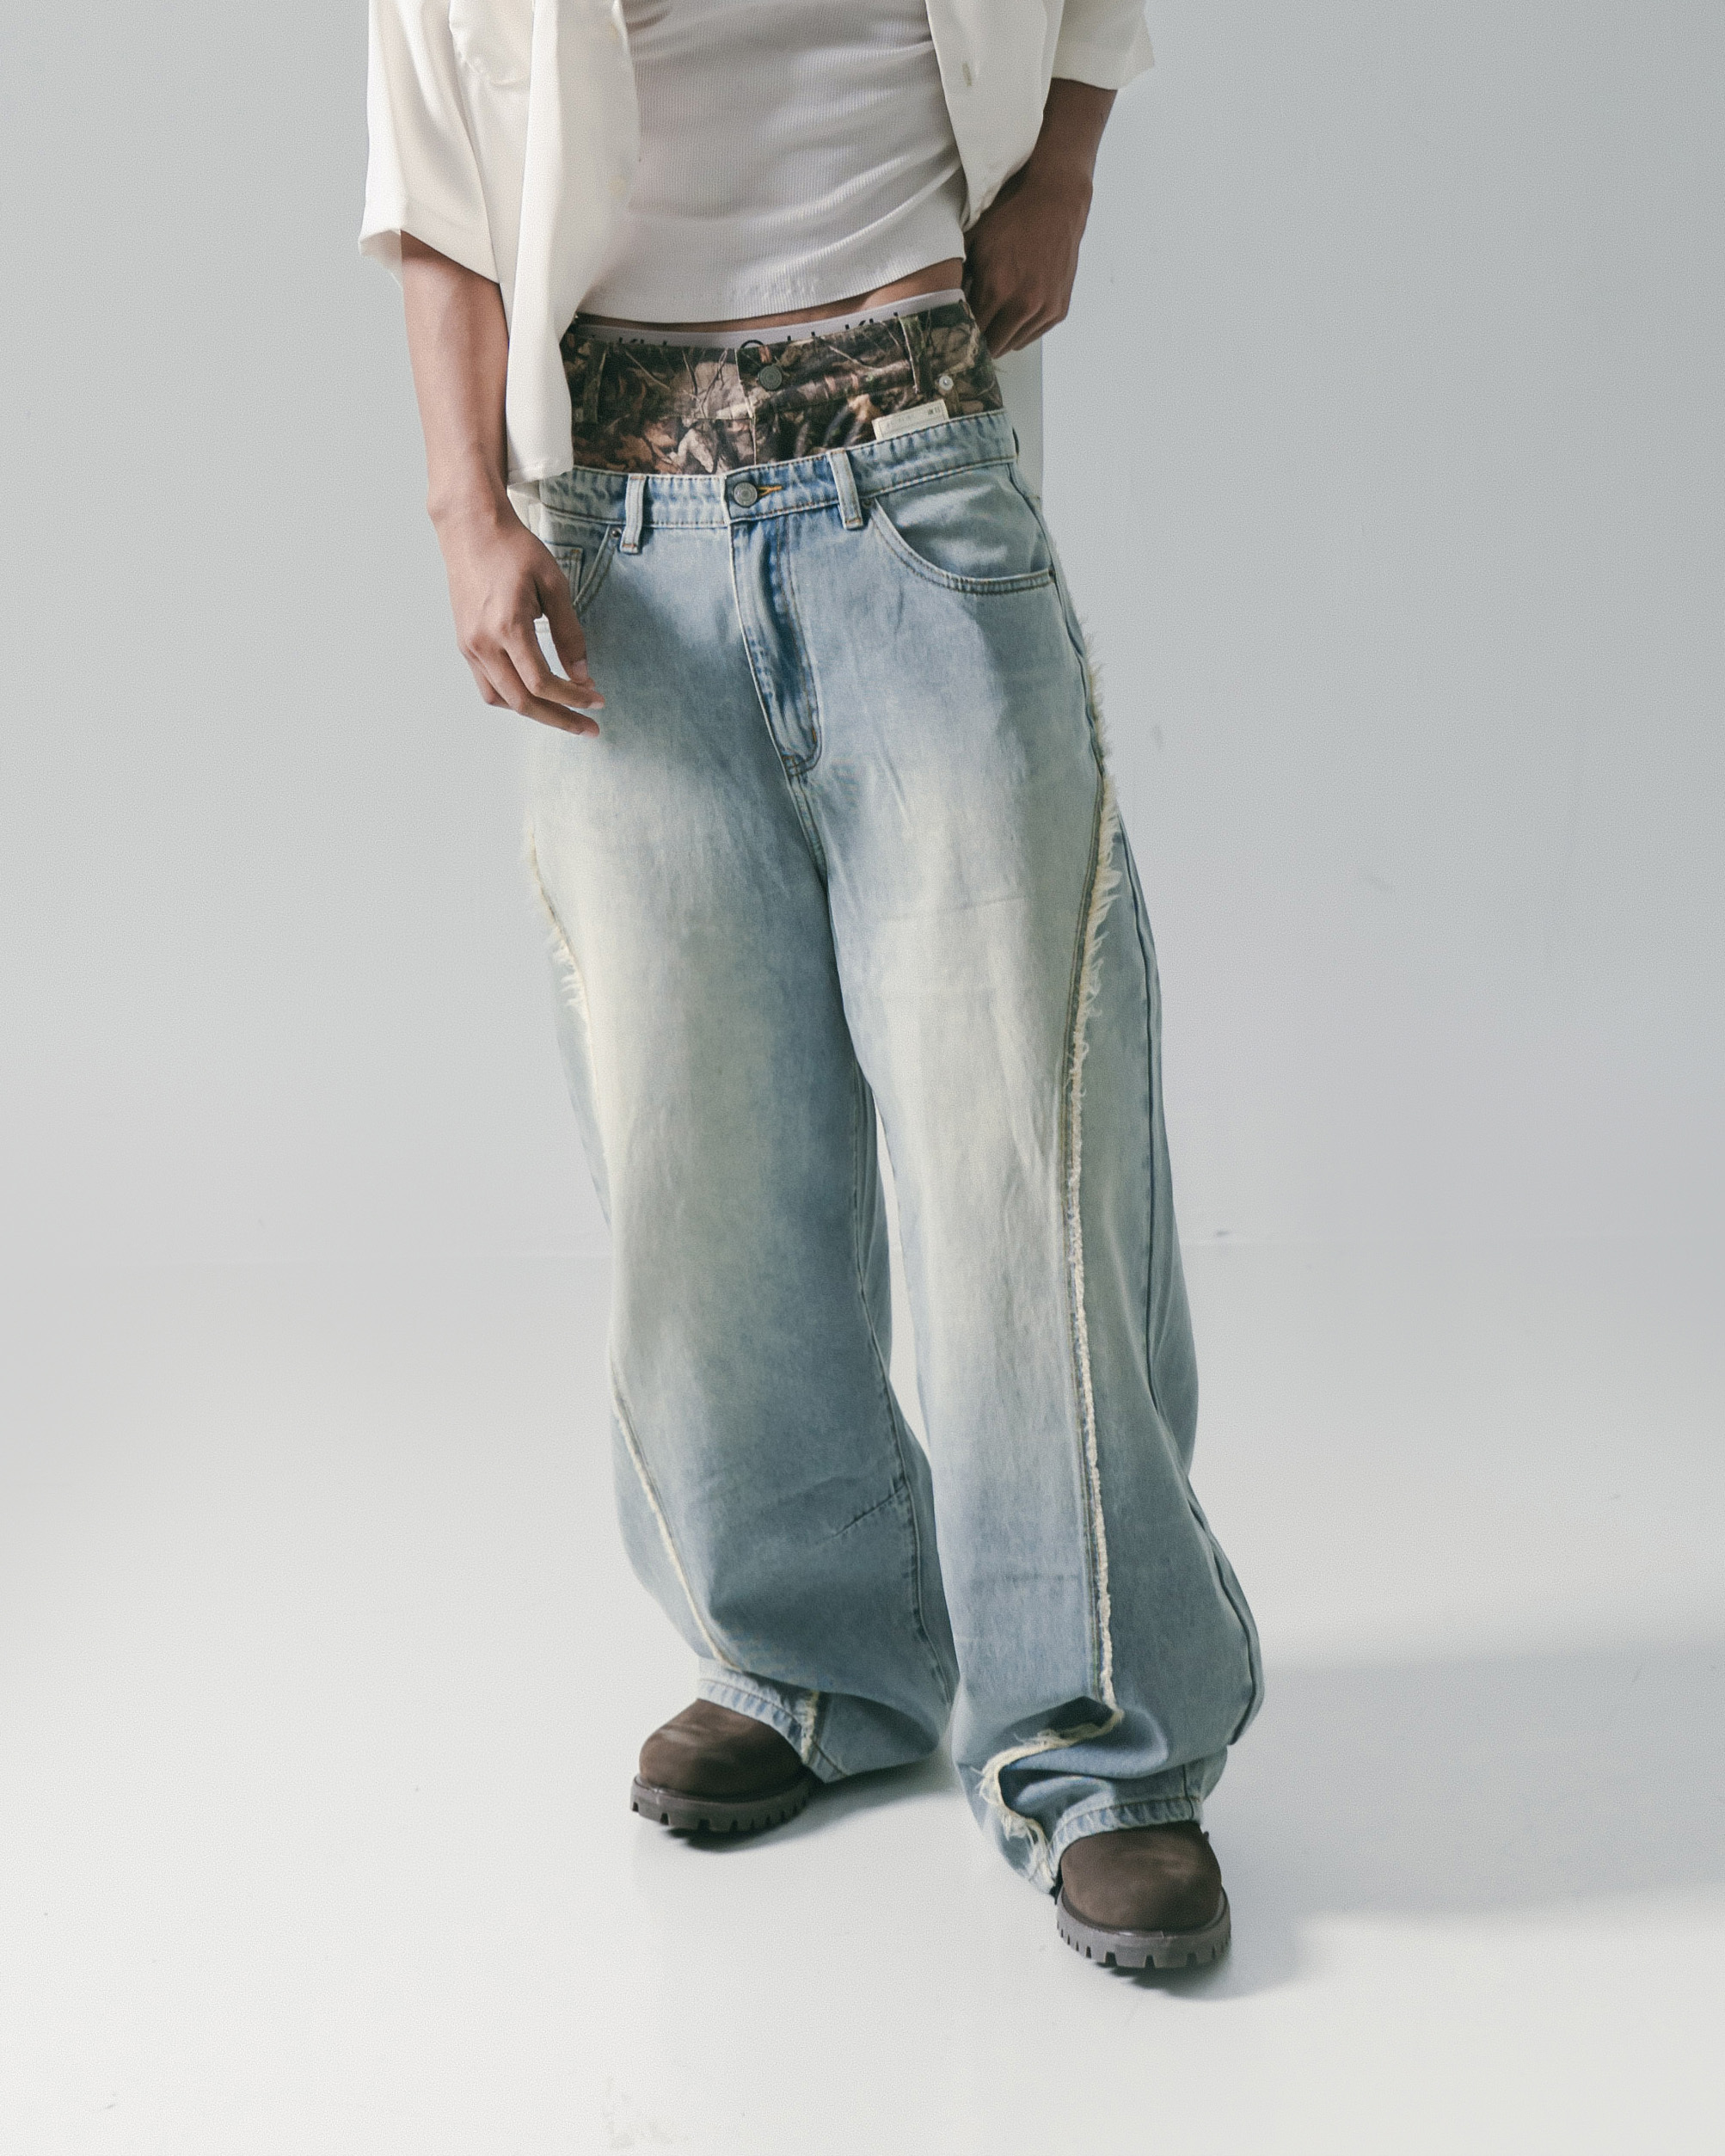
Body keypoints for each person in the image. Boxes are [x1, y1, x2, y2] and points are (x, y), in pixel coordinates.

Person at [361, 0, 1262, 1972]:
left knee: (1020, 1139)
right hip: (618, 540)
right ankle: (806, 1664)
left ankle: (1104, 1749)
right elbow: (432, 174)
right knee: (697, 1154)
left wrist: (1065, 163)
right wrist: (464, 508)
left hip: (914, 481)